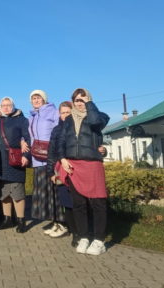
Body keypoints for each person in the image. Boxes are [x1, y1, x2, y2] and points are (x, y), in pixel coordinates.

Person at [56, 88, 110, 255]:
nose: (79, 103)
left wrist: (89, 104)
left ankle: (99, 240)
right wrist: (63, 159)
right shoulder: (68, 120)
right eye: (77, 100)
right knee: (78, 203)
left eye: (82, 100)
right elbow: (61, 141)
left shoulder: (100, 115)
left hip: (92, 164)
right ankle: (84, 236)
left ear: (88, 100)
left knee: (98, 203)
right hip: (73, 166)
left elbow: (95, 123)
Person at [0, 97, 31, 233]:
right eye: (3, 105)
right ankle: (7, 219)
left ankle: (21, 220)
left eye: (8, 105)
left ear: (13, 106)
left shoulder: (21, 120)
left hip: (16, 160)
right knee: (4, 193)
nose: (6, 107)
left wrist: (26, 155)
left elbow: (28, 137)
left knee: (17, 192)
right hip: (1, 162)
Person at [27, 90, 61, 229]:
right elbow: (29, 136)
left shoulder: (53, 112)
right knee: (44, 192)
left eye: (38, 98)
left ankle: (61, 222)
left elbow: (58, 131)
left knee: (55, 191)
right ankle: (52, 220)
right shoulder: (32, 117)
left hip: (50, 158)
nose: (36, 100)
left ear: (44, 99)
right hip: (37, 159)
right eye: (33, 98)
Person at [47, 101, 78, 244]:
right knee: (67, 203)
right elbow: (51, 152)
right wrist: (51, 172)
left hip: (77, 170)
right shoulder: (56, 130)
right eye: (63, 112)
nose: (65, 115)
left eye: (68, 112)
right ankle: (74, 232)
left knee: (78, 202)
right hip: (60, 170)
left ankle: (81, 231)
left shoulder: (78, 128)